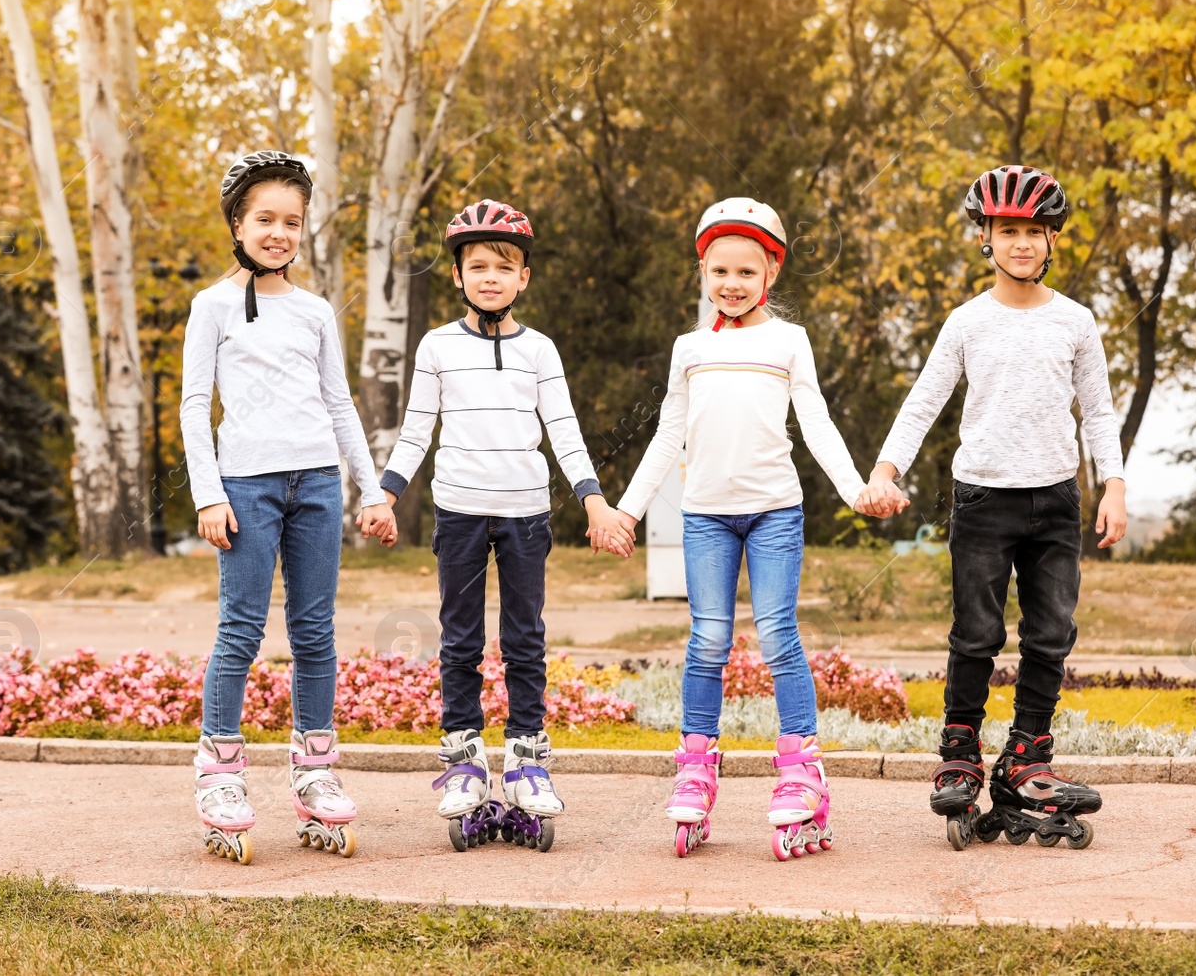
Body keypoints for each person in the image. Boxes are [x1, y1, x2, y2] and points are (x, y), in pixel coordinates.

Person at [860, 164, 1125, 851]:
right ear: (985, 236)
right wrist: (887, 468)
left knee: (1051, 632)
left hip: (1056, 500)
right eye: (1008, 230)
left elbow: (1097, 410)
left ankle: (1028, 755)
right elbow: (925, 400)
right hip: (981, 497)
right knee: (976, 632)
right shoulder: (967, 321)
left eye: (1035, 231)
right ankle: (960, 751)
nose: (1022, 243)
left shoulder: (1075, 322)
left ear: (1052, 240)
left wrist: (1115, 484)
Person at [613, 197, 867, 861]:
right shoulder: (690, 348)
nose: (732, 282)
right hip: (705, 516)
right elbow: (669, 433)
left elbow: (815, 423)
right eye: (719, 270)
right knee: (708, 639)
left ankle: (800, 767)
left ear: (770, 275)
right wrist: (628, 511)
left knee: (779, 634)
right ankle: (696, 764)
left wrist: (856, 489)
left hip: (775, 512)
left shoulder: (789, 341)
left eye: (746, 272)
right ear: (703, 270)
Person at [379, 198, 633, 853]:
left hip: (526, 513)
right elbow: (416, 431)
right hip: (459, 511)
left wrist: (595, 500)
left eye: (505, 266)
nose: (491, 276)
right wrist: (385, 494)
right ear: (459, 275)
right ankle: (464, 761)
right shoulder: (437, 346)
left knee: (526, 639)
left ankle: (525, 761)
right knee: (459, 640)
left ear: (525, 278)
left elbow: (565, 431)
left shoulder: (539, 351)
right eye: (478, 264)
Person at [181, 150, 398, 864]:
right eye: (265, 219)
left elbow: (340, 402)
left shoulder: (312, 311)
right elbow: (192, 406)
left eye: (292, 221)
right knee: (240, 628)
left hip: (316, 485)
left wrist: (370, 487)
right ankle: (219, 775)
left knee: (315, 632)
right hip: (246, 488)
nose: (279, 232)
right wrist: (208, 493)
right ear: (237, 224)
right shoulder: (211, 305)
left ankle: (315, 770)